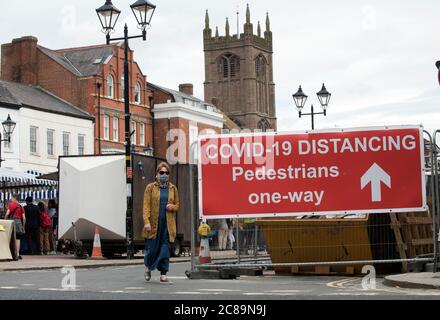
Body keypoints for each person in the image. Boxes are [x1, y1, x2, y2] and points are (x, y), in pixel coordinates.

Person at [143, 162, 179, 284]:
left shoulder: (173, 188)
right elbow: (146, 206)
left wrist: (172, 207)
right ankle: (148, 267)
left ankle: (163, 274)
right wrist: (146, 221)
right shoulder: (150, 188)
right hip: (153, 224)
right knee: (152, 250)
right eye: (162, 172)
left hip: (167, 225)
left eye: (166, 173)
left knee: (165, 250)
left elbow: (178, 205)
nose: (164, 175)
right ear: (157, 174)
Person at [5, 194, 26, 260]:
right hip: (19, 223)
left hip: (11, 222)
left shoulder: (10, 205)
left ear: (15, 198)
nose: (11, 199)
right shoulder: (21, 206)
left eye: (12, 198)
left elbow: (7, 214)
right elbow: (24, 218)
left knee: (10, 238)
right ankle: (17, 254)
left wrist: (5, 220)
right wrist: (23, 226)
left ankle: (10, 254)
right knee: (18, 239)